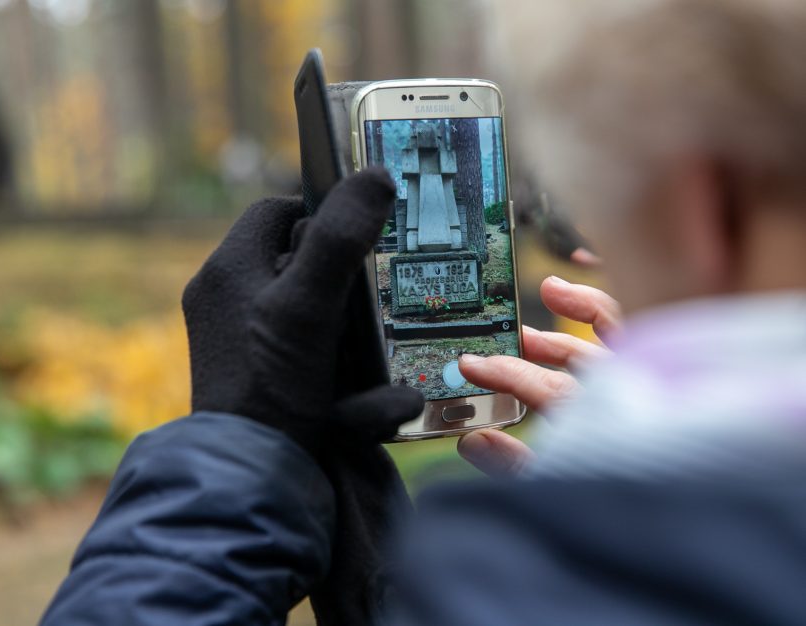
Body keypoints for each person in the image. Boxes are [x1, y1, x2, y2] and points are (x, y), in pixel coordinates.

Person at [42, 0, 806, 624]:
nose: (583, 251)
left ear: (703, 206)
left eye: (594, 214)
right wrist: (672, 508)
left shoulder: (515, 586)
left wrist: (228, 463)